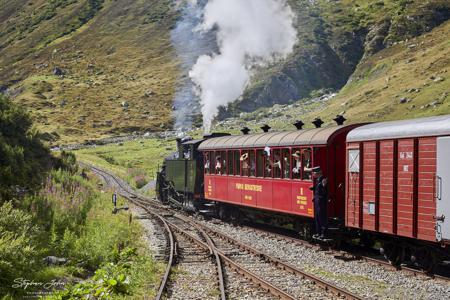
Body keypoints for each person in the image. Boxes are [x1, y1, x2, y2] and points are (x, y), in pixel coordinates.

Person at [310, 166, 329, 239]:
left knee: (322, 217)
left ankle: (324, 233)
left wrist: (323, 185)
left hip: (321, 201)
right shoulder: (318, 180)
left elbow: (324, 189)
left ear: (317, 173)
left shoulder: (323, 180)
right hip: (317, 201)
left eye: (313, 173)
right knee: (317, 217)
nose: (312, 174)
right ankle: (318, 232)